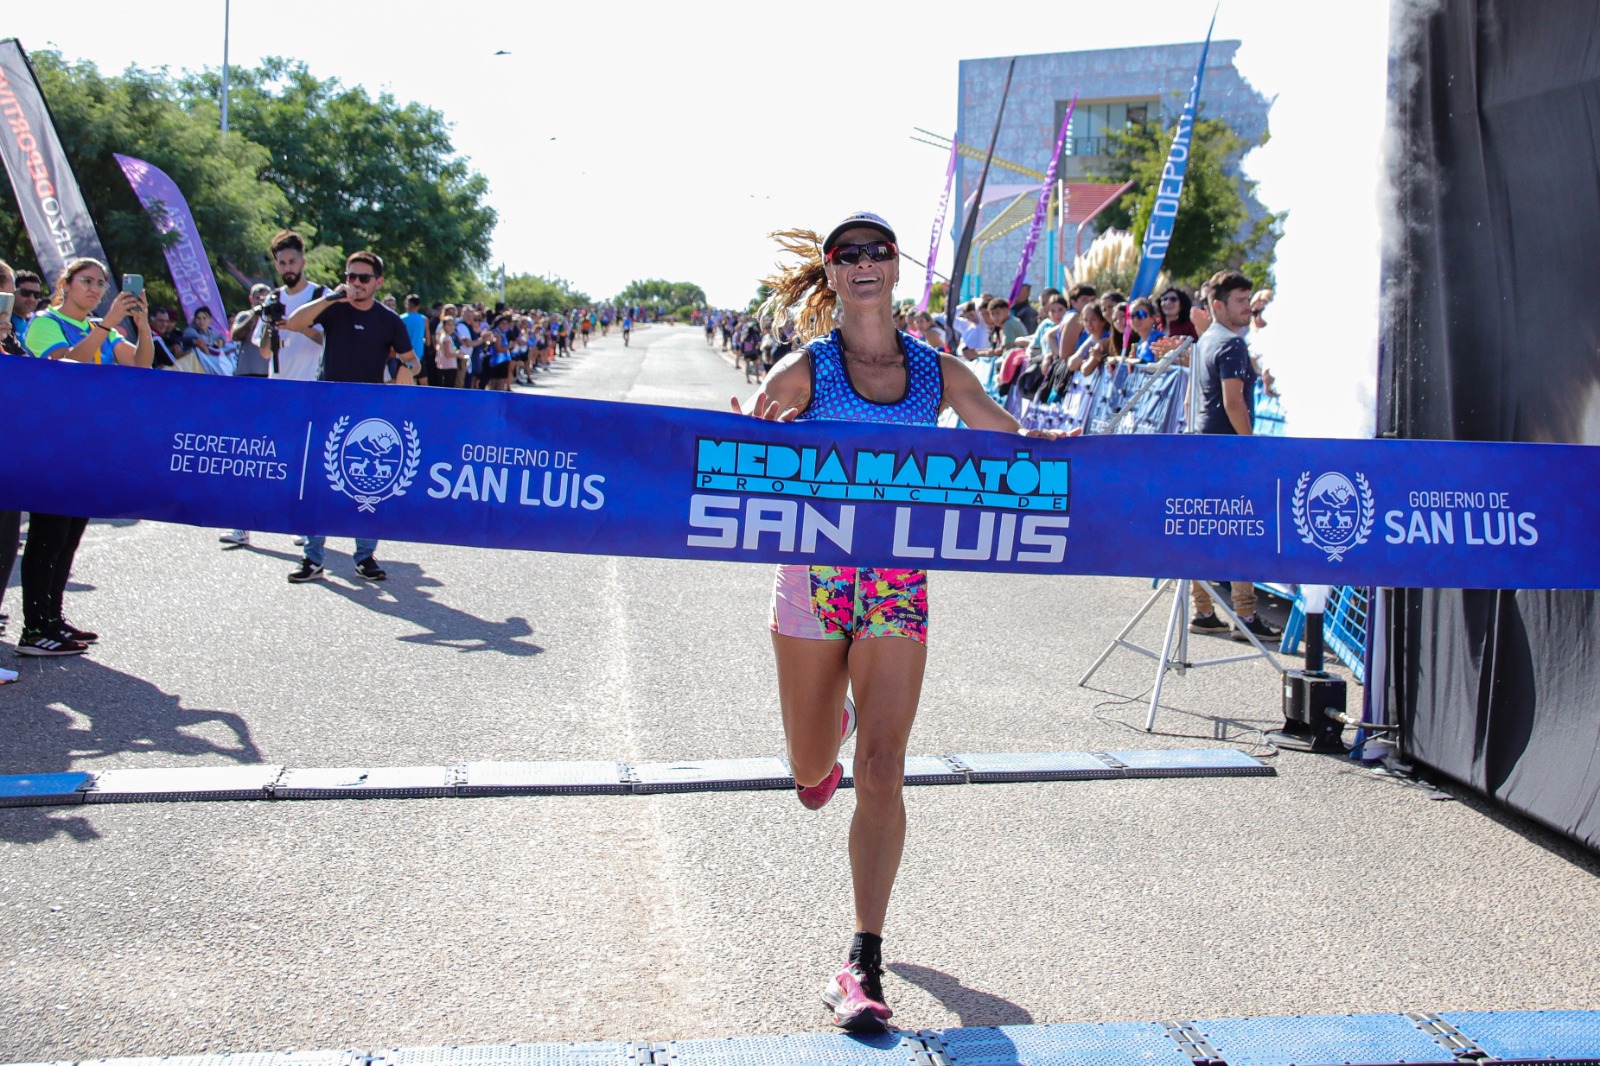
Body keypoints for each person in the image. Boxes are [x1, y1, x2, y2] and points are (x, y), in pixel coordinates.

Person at [733, 213, 1064, 1033]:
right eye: (848, 255)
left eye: (879, 250)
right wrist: (742, 437)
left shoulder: (937, 374)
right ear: (833, 275)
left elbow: (1016, 444)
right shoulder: (804, 369)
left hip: (895, 586)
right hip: (814, 582)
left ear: (898, 268)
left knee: (882, 770)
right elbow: (740, 459)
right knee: (815, 778)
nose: (865, 263)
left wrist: (1071, 452)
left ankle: (861, 958)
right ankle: (824, 733)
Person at [18, 257, 152, 655]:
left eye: (100, 283)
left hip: (89, 448)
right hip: (52, 445)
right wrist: (109, 323)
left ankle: (53, 619)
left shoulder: (100, 329)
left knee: (68, 538)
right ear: (66, 283)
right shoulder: (44, 322)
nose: (94, 289)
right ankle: (33, 629)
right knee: (47, 536)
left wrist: (141, 327)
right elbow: (67, 364)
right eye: (86, 281)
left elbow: (141, 366)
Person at [281, 250, 418, 583]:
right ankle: (312, 557)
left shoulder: (390, 321)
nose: (356, 283)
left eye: (363, 278)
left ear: (378, 282)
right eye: (351, 276)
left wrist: (406, 369)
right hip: (326, 405)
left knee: (367, 484)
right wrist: (331, 298)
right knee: (317, 483)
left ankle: (365, 556)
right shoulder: (334, 309)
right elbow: (295, 323)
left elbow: (412, 360)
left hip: (369, 411)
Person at [1188, 270, 1281, 643]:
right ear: (1217, 305)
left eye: (1248, 300)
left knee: (1202, 528)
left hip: (1202, 445)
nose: (1247, 307)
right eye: (1240, 301)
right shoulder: (1231, 345)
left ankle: (1204, 611)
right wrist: (1250, 445)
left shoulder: (1205, 341)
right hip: (1227, 450)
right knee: (1240, 530)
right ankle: (1244, 615)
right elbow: (1233, 401)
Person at [230, 285, 274, 378]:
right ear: (251, 299)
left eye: (264, 299)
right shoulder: (244, 316)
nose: (260, 301)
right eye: (257, 298)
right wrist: (253, 317)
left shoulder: (274, 318)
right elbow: (234, 336)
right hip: (246, 371)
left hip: (268, 372)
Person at [10, 269, 43, 343]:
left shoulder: (37, 324)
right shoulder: (4, 320)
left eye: (36, 294)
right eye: (26, 293)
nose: (32, 299)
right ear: (13, 292)